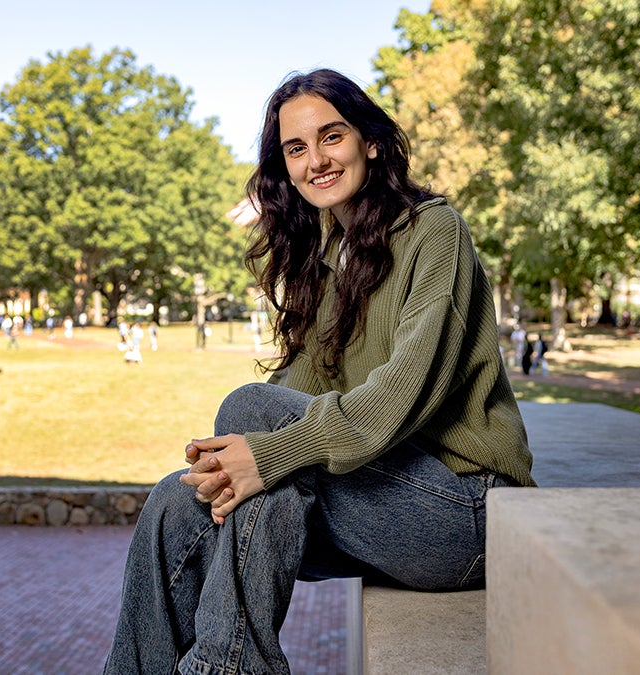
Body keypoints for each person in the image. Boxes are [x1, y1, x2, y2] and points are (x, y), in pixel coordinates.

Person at [103, 68, 535, 675]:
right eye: (296, 149)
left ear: (371, 141)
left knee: (252, 419)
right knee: (175, 504)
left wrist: (265, 450)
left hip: (467, 513)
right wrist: (226, 465)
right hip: (379, 502)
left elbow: (401, 395)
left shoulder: (434, 231)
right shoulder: (325, 256)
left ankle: (230, 666)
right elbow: (296, 395)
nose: (316, 161)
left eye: (331, 137)